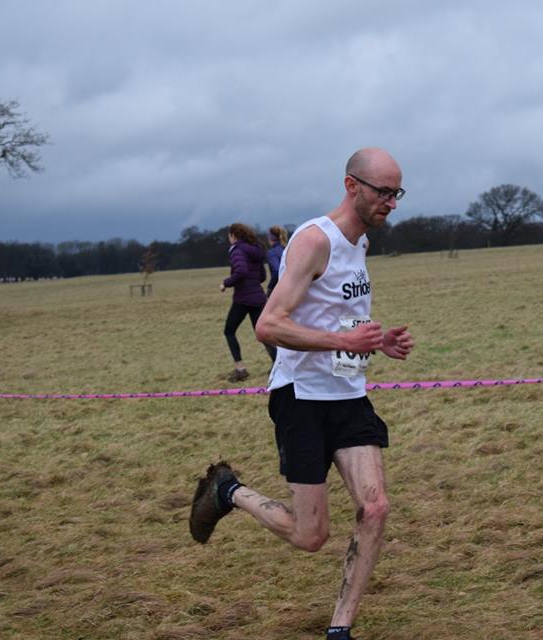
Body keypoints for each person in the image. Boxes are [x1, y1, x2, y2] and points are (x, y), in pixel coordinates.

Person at [190, 148, 414, 640]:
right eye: (383, 192)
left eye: (397, 193)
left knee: (375, 508)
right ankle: (229, 491)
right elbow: (269, 326)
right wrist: (341, 341)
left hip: (348, 395)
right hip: (301, 399)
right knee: (311, 536)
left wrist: (375, 341)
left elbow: (338, 316)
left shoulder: (361, 243)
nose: (392, 203)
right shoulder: (314, 241)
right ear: (351, 186)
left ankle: (340, 629)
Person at [220, 222, 277, 382]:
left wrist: (226, 283)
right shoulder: (256, 250)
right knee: (262, 333)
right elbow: (262, 276)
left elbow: (241, 271)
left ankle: (240, 369)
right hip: (258, 297)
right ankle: (278, 364)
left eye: (229, 236)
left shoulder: (237, 250)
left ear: (233, 235)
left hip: (243, 298)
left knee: (229, 331)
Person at [265, 224, 288, 296]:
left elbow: (277, 271)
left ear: (270, 237)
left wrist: (270, 287)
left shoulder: (272, 252)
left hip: (279, 289)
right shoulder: (287, 249)